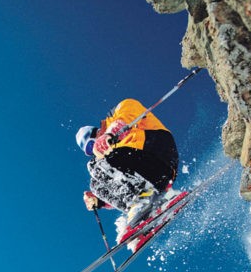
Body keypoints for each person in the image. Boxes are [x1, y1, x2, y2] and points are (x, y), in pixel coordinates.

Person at [76, 98, 180, 240]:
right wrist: (100, 201)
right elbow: (123, 184)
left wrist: (110, 133)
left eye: (91, 142)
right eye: (89, 149)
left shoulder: (118, 112)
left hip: (158, 154)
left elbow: (127, 114)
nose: (93, 149)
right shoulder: (113, 154)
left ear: (97, 131)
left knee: (95, 165)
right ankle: (143, 212)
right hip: (153, 178)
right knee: (95, 185)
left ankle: (143, 200)